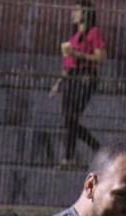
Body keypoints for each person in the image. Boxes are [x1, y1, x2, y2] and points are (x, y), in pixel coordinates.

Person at [49, 1, 106, 168]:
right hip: (71, 77)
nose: (73, 13)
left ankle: (70, 157)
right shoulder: (74, 36)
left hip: (85, 77)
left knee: (73, 116)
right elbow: (68, 64)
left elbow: (101, 57)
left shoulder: (94, 32)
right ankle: (94, 148)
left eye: (77, 10)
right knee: (68, 119)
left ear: (85, 13)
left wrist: (78, 54)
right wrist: (59, 83)